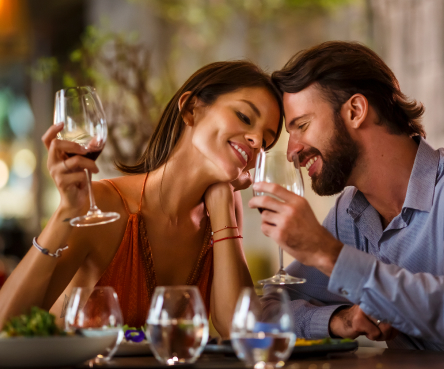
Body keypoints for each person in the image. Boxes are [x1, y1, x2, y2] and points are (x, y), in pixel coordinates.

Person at [249, 41, 444, 353]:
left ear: (355, 111)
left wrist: (328, 254)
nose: (292, 152)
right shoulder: (348, 214)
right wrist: (336, 320)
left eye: (301, 126)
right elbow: (268, 311)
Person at [0, 61, 283, 337]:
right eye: (245, 117)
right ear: (191, 109)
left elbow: (238, 331)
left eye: (267, 141)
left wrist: (222, 201)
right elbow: (5, 328)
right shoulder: (104, 204)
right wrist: (67, 212)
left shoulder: (225, 211)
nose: (257, 141)